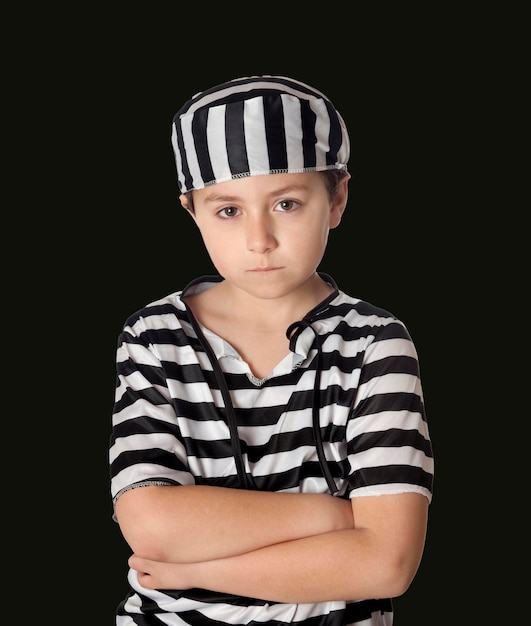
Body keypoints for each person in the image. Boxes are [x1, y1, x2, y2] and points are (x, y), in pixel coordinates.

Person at [109, 75, 434, 626]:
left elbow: (386, 563)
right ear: (192, 211)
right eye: (228, 210)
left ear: (337, 199)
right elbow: (152, 526)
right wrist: (336, 518)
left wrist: (195, 571)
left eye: (286, 203)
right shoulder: (154, 335)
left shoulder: (375, 342)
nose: (259, 240)